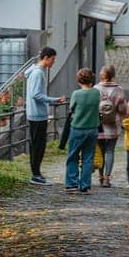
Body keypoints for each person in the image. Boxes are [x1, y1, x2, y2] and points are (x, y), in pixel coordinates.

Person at [24, 47, 66, 185]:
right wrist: (54, 100)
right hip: (38, 114)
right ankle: (36, 174)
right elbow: (36, 94)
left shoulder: (36, 71)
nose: (53, 62)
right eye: (53, 59)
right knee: (38, 145)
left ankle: (36, 173)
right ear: (46, 58)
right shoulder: (38, 73)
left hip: (35, 113)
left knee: (37, 144)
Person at [64, 68, 100, 194]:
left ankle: (71, 184)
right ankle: (85, 185)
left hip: (78, 128)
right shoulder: (96, 93)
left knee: (73, 156)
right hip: (92, 129)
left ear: (79, 80)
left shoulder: (76, 94)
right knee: (88, 158)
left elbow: (71, 108)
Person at [94, 64, 128, 187]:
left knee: (101, 151)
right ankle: (107, 178)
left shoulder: (96, 88)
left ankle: (101, 176)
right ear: (113, 75)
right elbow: (123, 110)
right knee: (110, 151)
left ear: (101, 75)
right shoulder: (119, 90)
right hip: (113, 126)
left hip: (99, 126)